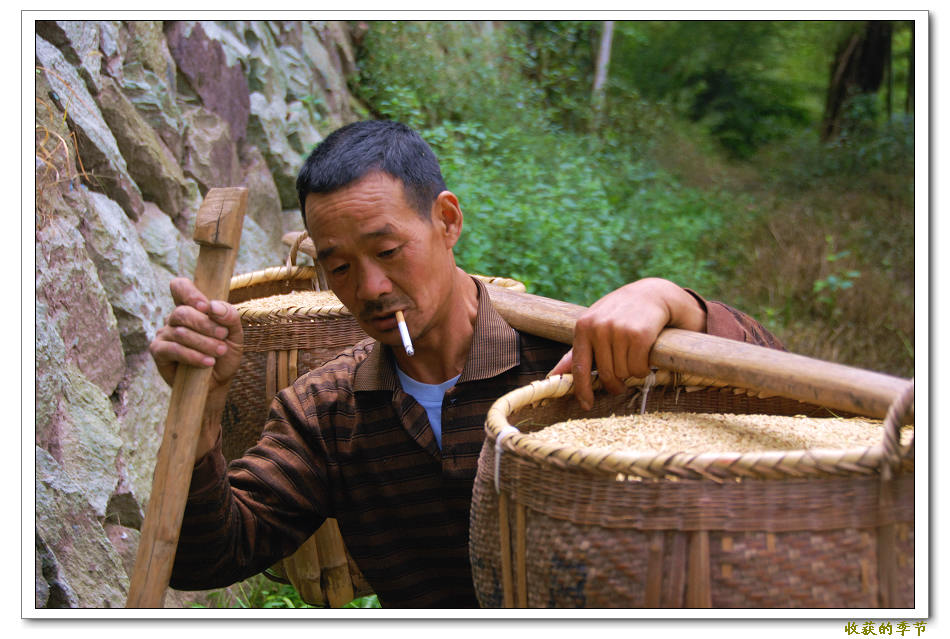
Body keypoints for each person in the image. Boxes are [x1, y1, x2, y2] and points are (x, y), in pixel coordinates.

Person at [151, 120, 783, 607]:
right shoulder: (326, 412)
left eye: (389, 250)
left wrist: (674, 302)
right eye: (339, 266)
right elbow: (207, 557)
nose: (369, 287)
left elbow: (782, 395)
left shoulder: (567, 362)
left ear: (447, 221)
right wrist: (200, 417)